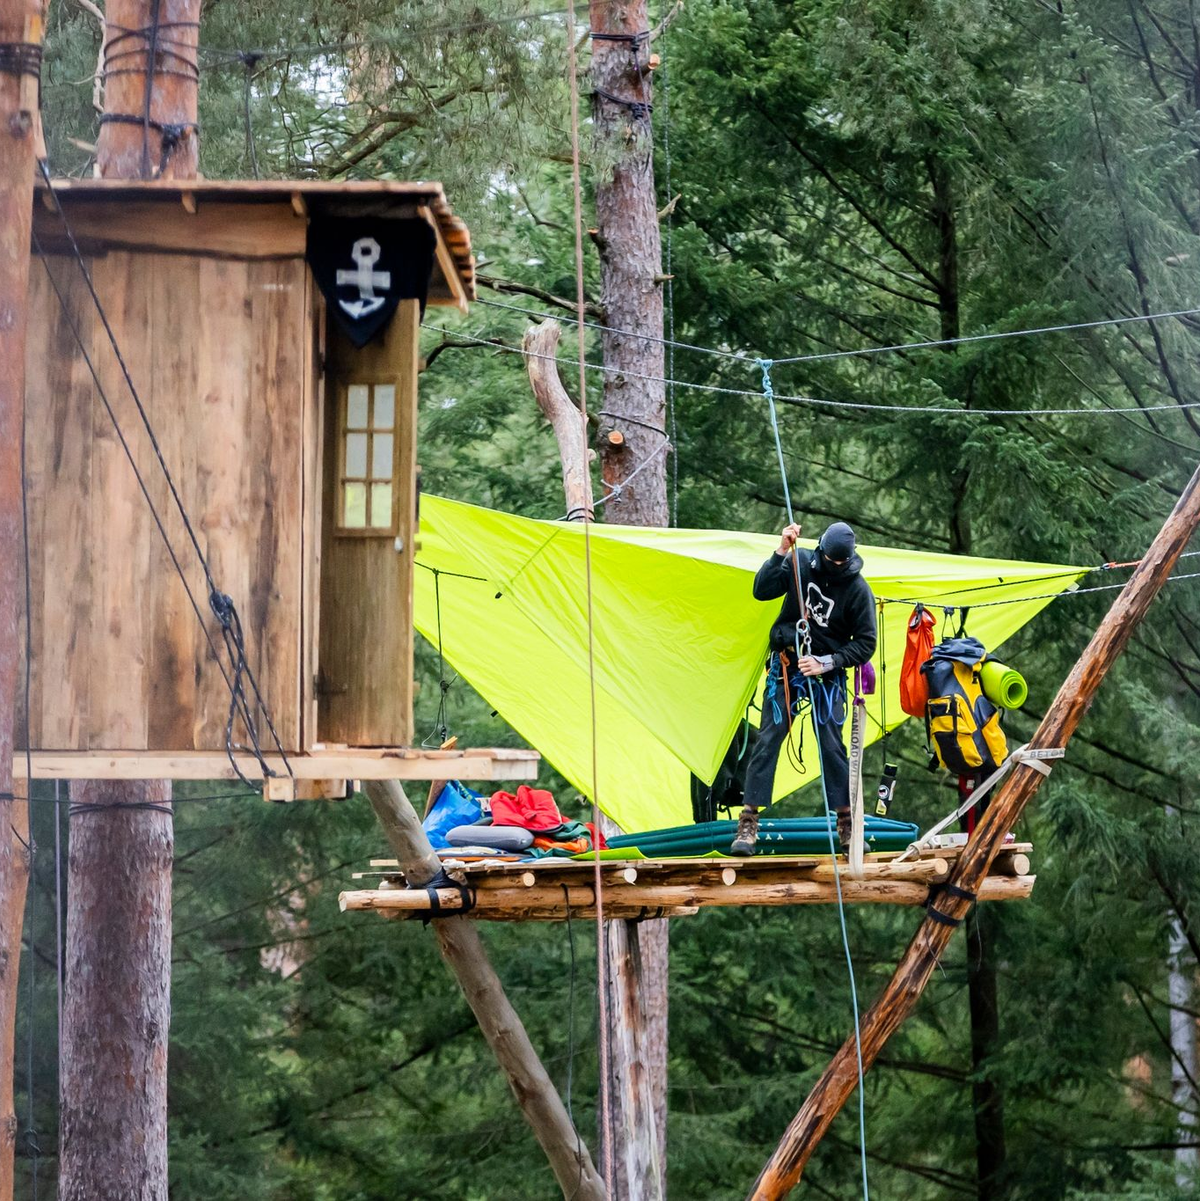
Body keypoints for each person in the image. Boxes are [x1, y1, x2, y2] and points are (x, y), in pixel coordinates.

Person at [731, 520, 877, 856]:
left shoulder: (858, 590)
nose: (835, 567)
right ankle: (748, 822)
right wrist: (782, 549)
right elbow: (762, 589)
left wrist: (828, 662)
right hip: (788, 662)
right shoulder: (800, 562)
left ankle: (846, 824)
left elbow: (866, 643)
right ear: (822, 550)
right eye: (831, 560)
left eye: (842, 563)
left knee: (830, 744)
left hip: (826, 675)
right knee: (770, 735)